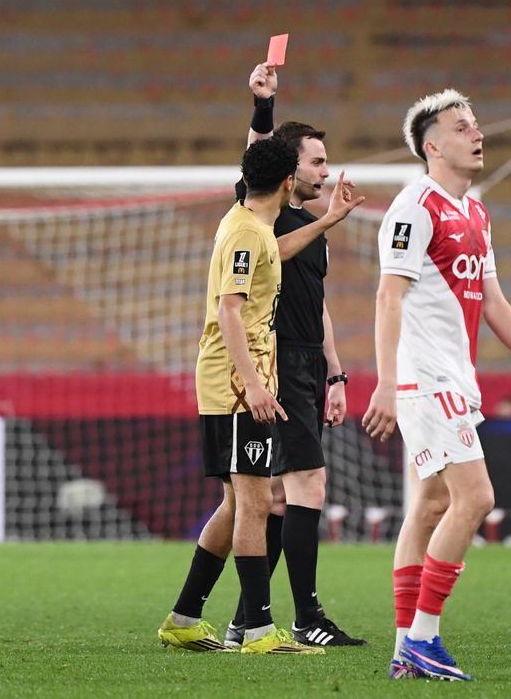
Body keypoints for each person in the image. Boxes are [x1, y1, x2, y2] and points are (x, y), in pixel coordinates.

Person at [363, 89, 511, 681]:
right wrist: (387, 382)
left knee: (427, 506)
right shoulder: (413, 207)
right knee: (475, 498)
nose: (477, 134)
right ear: (433, 145)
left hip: (455, 376)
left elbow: (492, 298)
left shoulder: (475, 213)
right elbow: (387, 296)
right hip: (428, 377)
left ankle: (405, 649)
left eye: (476, 125)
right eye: (462, 127)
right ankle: (424, 638)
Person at [157, 137, 322, 655]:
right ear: (288, 183)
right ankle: (258, 632)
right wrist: (252, 385)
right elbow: (230, 309)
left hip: (239, 380)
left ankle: (184, 617)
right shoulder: (246, 233)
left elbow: (279, 252)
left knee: (237, 501)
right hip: (236, 385)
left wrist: (327, 221)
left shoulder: (252, 223)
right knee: (257, 500)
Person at [223, 63, 368, 648]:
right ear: (288, 171)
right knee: (307, 487)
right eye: (315, 162)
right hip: (275, 362)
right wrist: (263, 106)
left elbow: (320, 306)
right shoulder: (261, 216)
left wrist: (337, 373)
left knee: (285, 496)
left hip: (309, 363)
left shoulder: (314, 229)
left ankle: (246, 618)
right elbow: (254, 160)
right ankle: (306, 619)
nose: (325, 171)